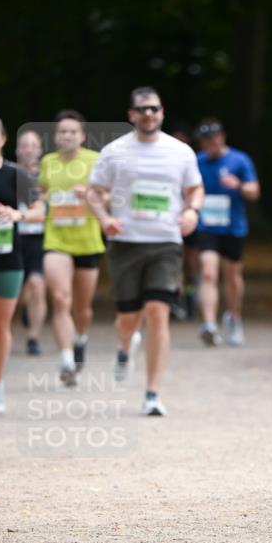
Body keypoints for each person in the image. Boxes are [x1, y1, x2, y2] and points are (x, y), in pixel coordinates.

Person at [86, 86, 204, 416]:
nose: (148, 114)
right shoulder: (113, 152)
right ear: (131, 115)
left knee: (157, 312)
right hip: (126, 242)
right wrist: (105, 219)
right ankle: (126, 344)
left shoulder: (180, 152)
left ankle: (152, 392)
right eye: (142, 109)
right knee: (127, 318)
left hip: (166, 241)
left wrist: (191, 211)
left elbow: (195, 188)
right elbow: (94, 193)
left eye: (154, 108)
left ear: (162, 113)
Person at [39, 111, 104, 386]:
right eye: (63, 131)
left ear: (82, 136)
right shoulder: (48, 162)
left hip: (88, 241)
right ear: (55, 136)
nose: (67, 136)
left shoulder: (95, 161)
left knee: (82, 308)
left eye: (73, 131)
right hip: (56, 240)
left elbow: (108, 195)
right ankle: (66, 357)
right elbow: (42, 193)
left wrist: (89, 194)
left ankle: (80, 338)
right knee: (61, 299)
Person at [0, 114, 45, 413]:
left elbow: (39, 210)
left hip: (9, 257)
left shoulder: (16, 175)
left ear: (3, 140)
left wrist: (17, 214)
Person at [187, 119, 260, 346]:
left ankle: (233, 317)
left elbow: (254, 191)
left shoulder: (239, 160)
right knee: (208, 272)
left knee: (232, 276)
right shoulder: (196, 162)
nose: (211, 143)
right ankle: (209, 324)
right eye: (206, 140)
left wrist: (238, 185)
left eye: (214, 138)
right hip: (207, 225)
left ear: (222, 137)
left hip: (233, 227)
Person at [16, 128, 47, 354]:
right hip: (14, 237)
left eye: (33, 145)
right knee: (19, 291)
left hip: (40, 237)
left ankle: (33, 337)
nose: (28, 149)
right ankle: (24, 308)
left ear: (40, 150)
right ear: (17, 149)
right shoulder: (7, 173)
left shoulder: (48, 175)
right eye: (24, 145)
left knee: (37, 284)